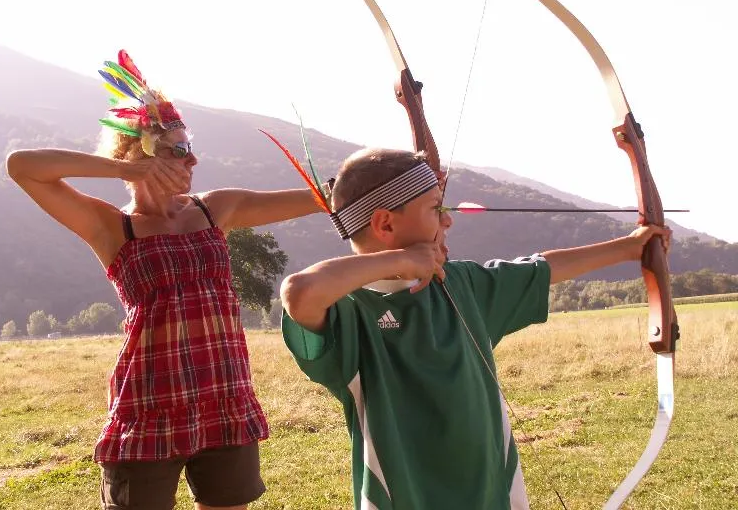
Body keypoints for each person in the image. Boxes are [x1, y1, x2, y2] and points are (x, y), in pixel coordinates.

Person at [7, 50, 325, 510]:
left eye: (190, 148)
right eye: (178, 149)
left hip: (225, 394)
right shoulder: (111, 226)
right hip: (149, 402)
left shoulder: (215, 207)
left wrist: (398, 180)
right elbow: (22, 166)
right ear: (140, 155)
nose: (192, 159)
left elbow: (322, 198)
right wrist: (123, 170)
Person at [279, 148, 671, 510]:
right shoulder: (349, 313)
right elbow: (300, 291)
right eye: (435, 208)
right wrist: (400, 260)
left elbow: (541, 269)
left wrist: (632, 247)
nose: (448, 219)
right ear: (384, 223)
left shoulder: (461, 284)